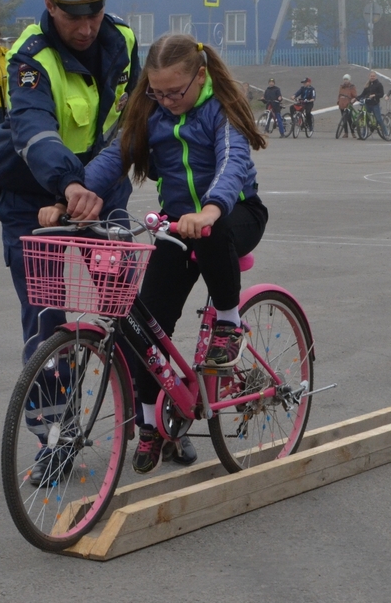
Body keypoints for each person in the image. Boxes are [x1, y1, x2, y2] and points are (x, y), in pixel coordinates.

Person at [43, 34, 268, 474]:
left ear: (199, 77)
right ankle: (149, 426)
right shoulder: (152, 112)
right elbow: (115, 157)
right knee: (144, 328)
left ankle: (229, 322)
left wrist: (209, 209)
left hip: (233, 214)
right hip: (179, 226)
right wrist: (74, 195)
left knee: (212, 233)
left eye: (174, 92)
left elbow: (231, 164)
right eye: (156, 91)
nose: (165, 101)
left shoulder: (219, 111)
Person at [0, 0, 144, 483]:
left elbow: (133, 117)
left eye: (94, 12)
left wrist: (93, 185)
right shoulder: (29, 55)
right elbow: (33, 129)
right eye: (74, 14)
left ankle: (154, 419)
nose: (86, 26)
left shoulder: (122, 40)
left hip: (99, 190)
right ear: (51, 7)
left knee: (128, 303)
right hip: (35, 197)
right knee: (46, 320)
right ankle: (56, 437)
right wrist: (69, 187)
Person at [358, 71, 387, 138]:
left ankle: (386, 132)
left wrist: (374, 95)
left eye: (373, 76)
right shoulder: (367, 85)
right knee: (365, 119)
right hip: (367, 104)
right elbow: (363, 94)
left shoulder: (379, 84)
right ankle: (363, 134)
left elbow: (381, 94)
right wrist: (356, 98)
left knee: (379, 119)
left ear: (375, 77)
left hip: (375, 104)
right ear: (369, 77)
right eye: (371, 76)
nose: (372, 77)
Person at [337, 73, 357, 138]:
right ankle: (346, 133)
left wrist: (352, 101)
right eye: (344, 79)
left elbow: (354, 96)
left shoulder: (352, 87)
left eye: (347, 79)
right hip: (342, 104)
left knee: (349, 119)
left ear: (349, 80)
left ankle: (353, 132)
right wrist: (338, 101)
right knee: (343, 119)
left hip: (348, 104)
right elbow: (339, 94)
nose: (345, 81)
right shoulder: (341, 86)